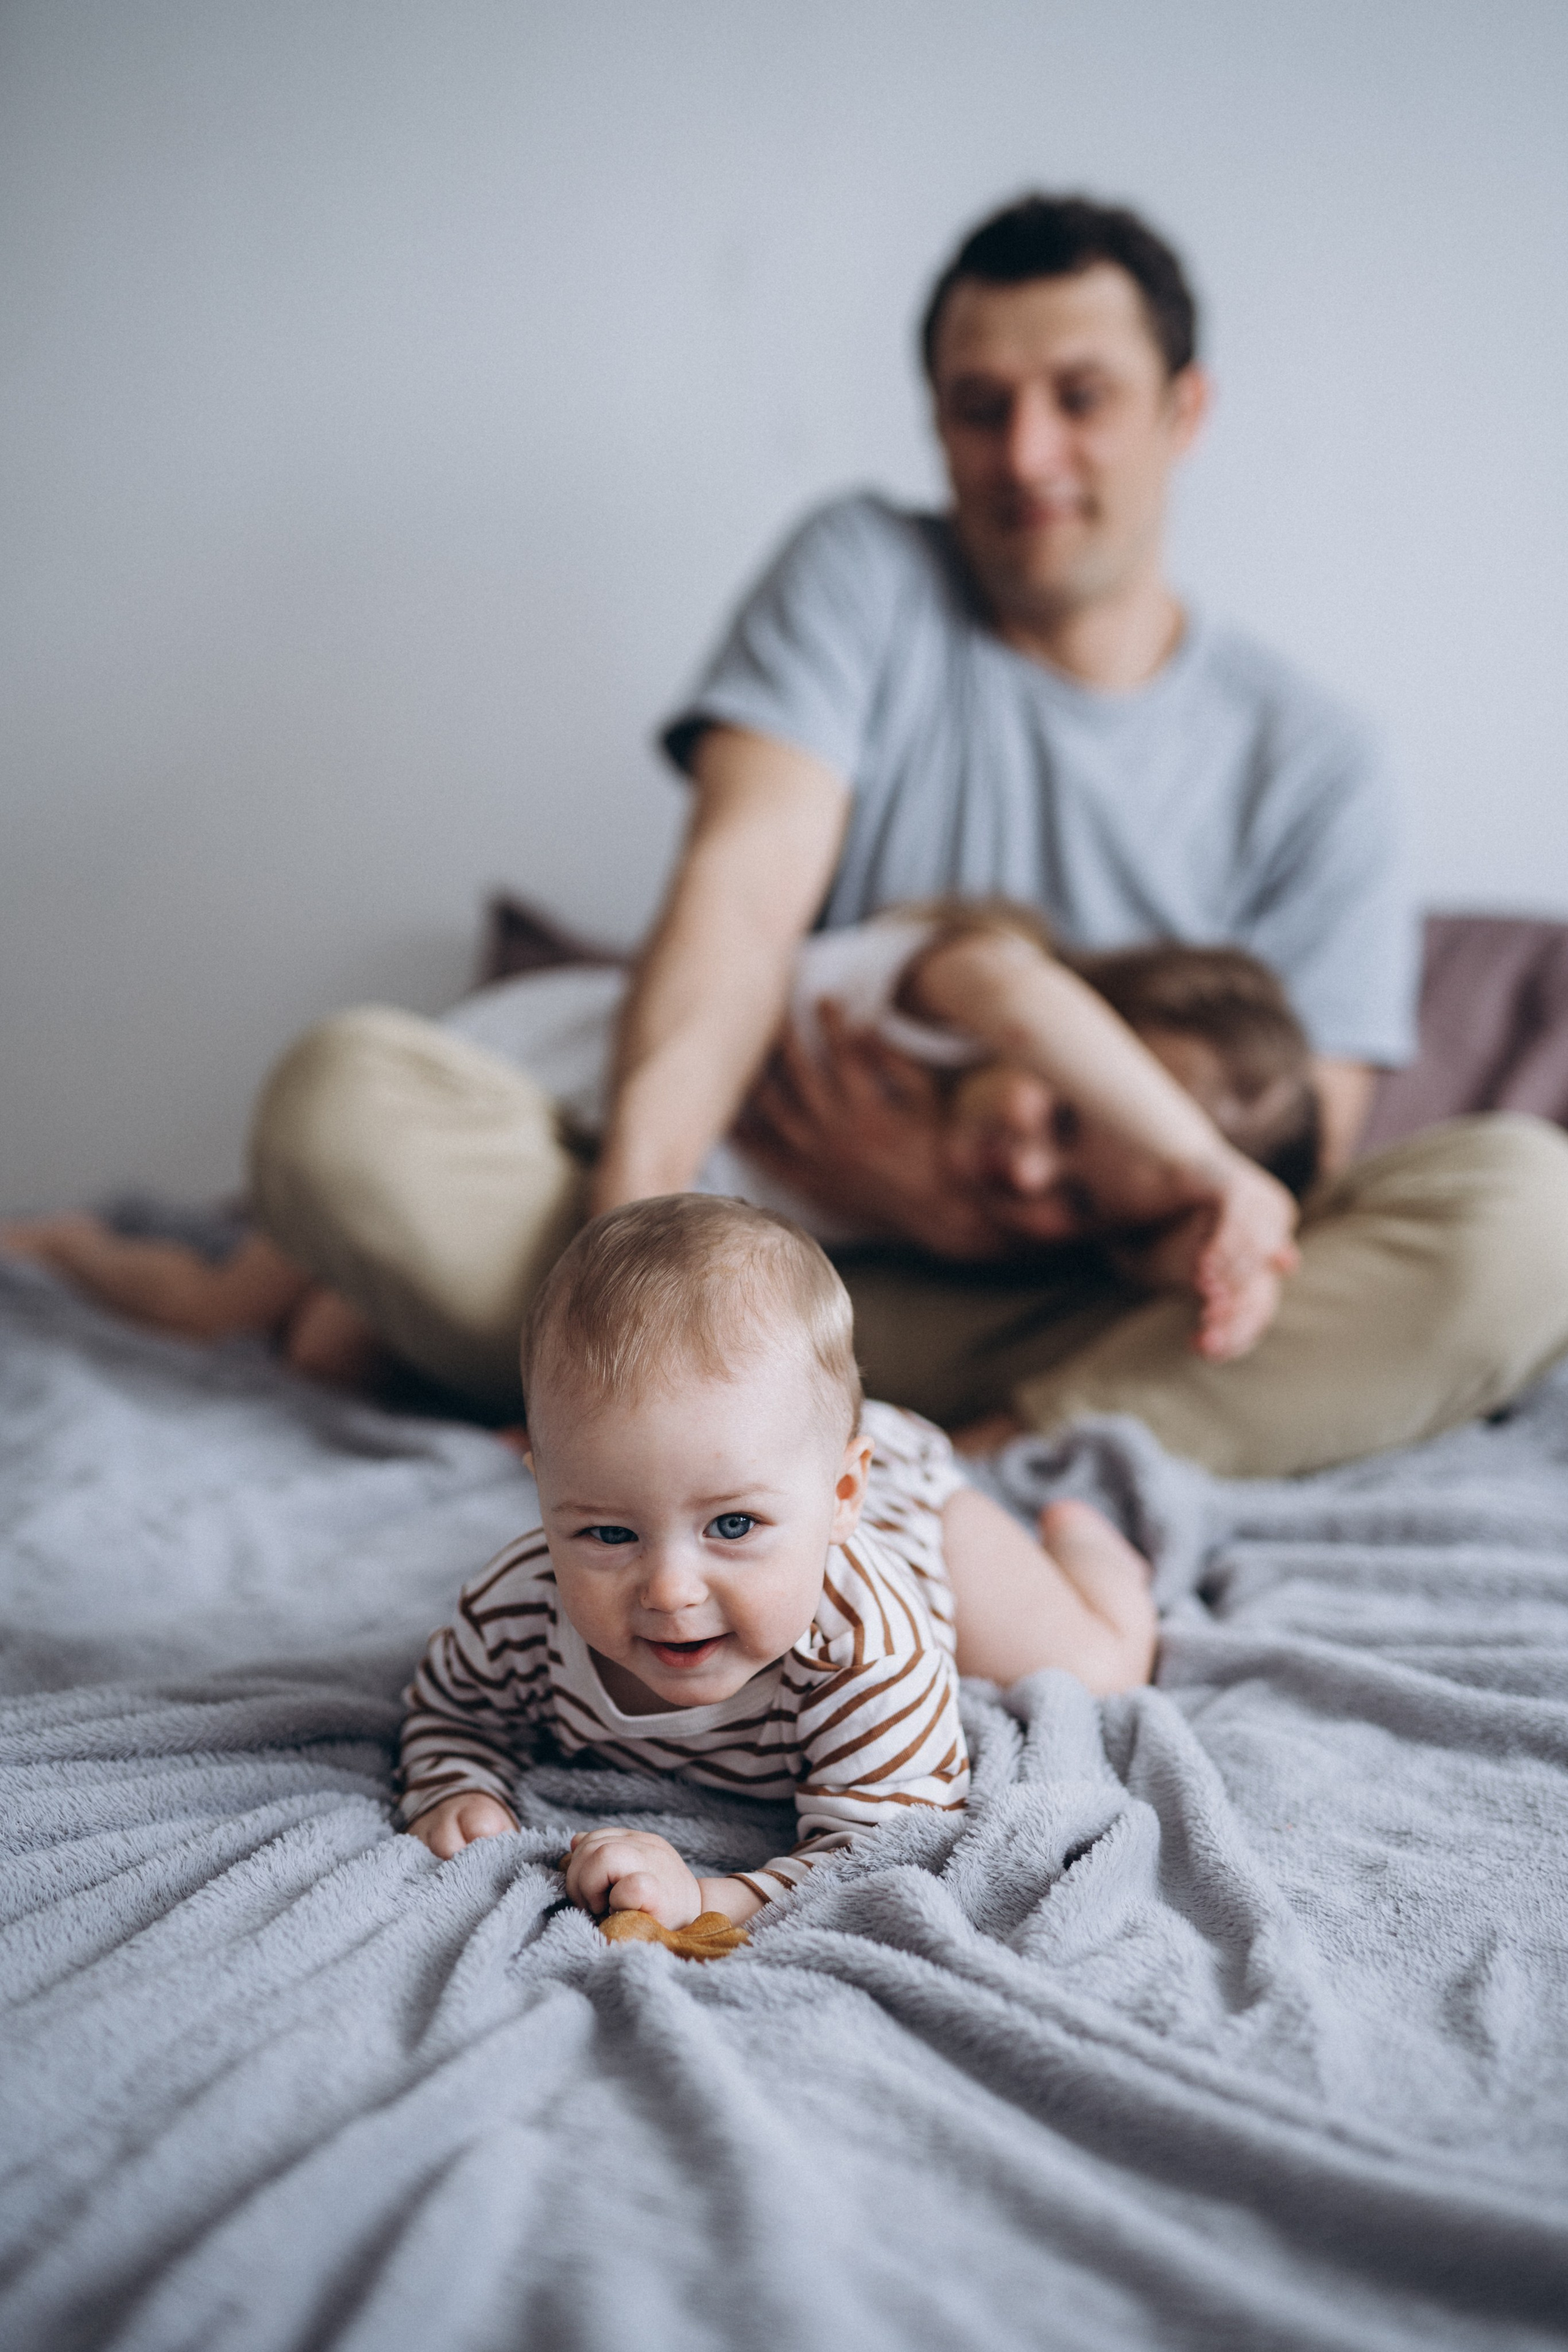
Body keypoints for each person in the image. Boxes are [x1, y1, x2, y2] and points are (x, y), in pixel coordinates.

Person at [2, 909, 1310, 1387]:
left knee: (332, 1354)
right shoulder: (940, 993)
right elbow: (1023, 1000)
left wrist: (1213, 1248)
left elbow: (1128, 1282)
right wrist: (1210, 1168)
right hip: (528, 1117)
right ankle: (59, 1243)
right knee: (221, 1306)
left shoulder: (976, 1224)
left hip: (616, 1243)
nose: (1034, 1176)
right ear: (1086, 1021)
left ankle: (349, 1321)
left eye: (1073, 1202)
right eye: (1067, 1121)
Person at [399, 1195, 1155, 1931]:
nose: (669, 1589)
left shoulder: (868, 1650)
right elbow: (452, 1713)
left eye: (732, 1525)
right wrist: (455, 1789)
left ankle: (1086, 1544)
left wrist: (707, 1898)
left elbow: (886, 1849)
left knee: (1094, 1671)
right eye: (608, 1534)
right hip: (789, 1467)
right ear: (546, 1497)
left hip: (909, 1515)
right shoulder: (519, 1605)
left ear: (841, 1492)